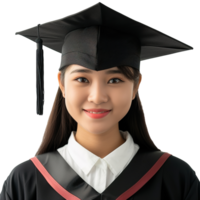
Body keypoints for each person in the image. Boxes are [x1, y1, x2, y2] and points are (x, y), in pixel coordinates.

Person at [0, 2, 199, 200]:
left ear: (136, 84)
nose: (97, 97)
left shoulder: (174, 177)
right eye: (82, 79)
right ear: (61, 83)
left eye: (114, 80)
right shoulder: (25, 181)